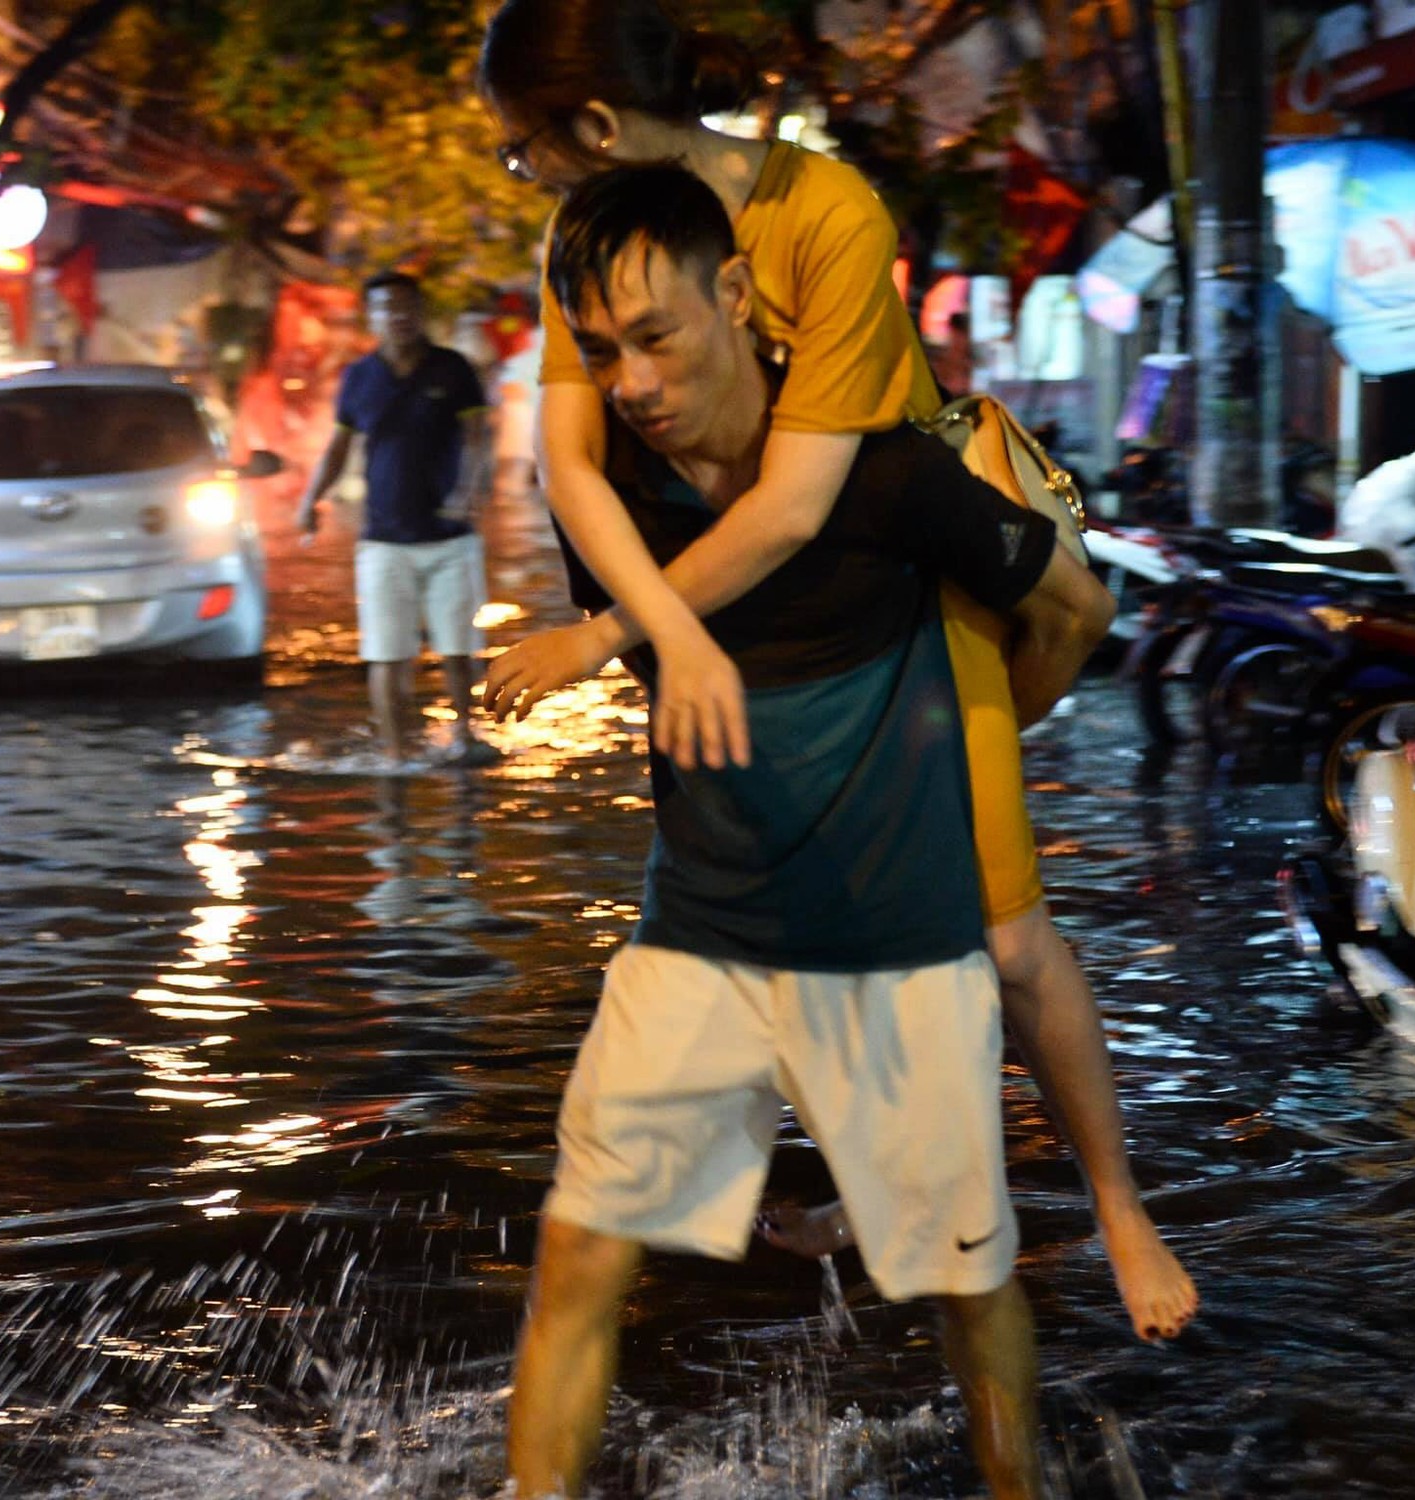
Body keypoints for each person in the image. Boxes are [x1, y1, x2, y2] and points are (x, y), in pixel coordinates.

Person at [478, 0, 1198, 1342]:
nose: (525, 182)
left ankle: (1115, 1204)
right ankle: (883, 1200)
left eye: (523, 152)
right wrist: (668, 629)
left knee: (998, 929)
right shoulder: (587, 237)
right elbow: (567, 467)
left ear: (588, 124)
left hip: (899, 592)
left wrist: (613, 633)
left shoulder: (825, 217)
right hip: (731, 611)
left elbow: (806, 503)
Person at [492, 162, 1108, 1500]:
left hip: (899, 954)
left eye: (658, 337)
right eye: (600, 353)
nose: (635, 382)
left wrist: (975, 750)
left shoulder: (885, 480)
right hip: (699, 936)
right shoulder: (607, 508)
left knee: (966, 1284)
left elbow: (1075, 609)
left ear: (734, 295)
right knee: (579, 1256)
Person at [297, 271, 498, 768]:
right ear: (373, 316)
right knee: (385, 652)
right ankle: (392, 752)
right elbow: (339, 447)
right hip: (383, 539)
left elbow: (477, 439)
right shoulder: (359, 377)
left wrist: (468, 491)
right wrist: (309, 502)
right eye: (386, 308)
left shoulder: (454, 370)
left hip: (452, 538)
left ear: (421, 311)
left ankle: (464, 734)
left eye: (407, 306)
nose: (398, 316)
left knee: (459, 647)